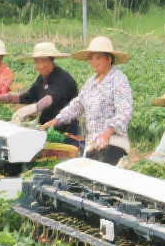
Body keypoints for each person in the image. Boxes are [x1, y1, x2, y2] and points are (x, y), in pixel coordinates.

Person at [52, 35, 135, 163]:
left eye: (98, 58)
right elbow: (77, 105)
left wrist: (107, 133)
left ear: (109, 59)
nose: (93, 62)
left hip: (114, 143)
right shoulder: (91, 82)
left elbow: (125, 112)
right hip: (93, 144)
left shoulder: (119, 80)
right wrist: (57, 119)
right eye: (91, 58)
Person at [9, 42, 82, 131]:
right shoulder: (42, 77)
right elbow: (28, 97)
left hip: (63, 130)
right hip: (44, 127)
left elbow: (49, 99)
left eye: (43, 61)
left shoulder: (62, 79)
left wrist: (32, 108)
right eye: (37, 62)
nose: (40, 66)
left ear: (51, 60)